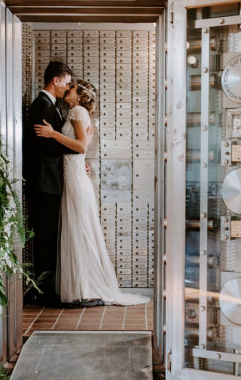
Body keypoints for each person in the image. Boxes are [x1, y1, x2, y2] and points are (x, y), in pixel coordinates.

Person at [34, 79, 150, 306]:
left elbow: (80, 146)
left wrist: (52, 134)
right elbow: (80, 147)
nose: (68, 89)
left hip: (75, 178)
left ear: (80, 95)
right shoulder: (76, 112)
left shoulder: (78, 111)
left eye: (72, 87)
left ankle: (85, 287)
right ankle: (82, 286)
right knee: (77, 229)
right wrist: (82, 160)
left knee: (80, 229)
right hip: (72, 173)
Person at [24, 61, 90, 306]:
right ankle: (42, 291)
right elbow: (46, 145)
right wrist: (76, 155)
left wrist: (78, 158)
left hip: (53, 180)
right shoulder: (41, 105)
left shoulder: (53, 106)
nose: (67, 87)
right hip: (44, 182)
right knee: (45, 237)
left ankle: (47, 288)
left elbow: (63, 142)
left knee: (50, 236)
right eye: (66, 82)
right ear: (56, 80)